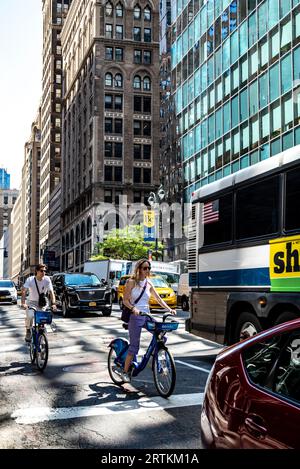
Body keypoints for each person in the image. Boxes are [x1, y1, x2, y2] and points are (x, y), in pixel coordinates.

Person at [121, 258, 176, 383]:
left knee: (161, 336)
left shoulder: (149, 283)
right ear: (139, 269)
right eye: (145, 268)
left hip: (146, 315)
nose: (147, 270)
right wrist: (133, 308)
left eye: (149, 268)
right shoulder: (131, 282)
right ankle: (125, 371)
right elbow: (125, 301)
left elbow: (158, 299)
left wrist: (169, 309)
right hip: (135, 316)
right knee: (134, 347)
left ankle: (154, 359)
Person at [21, 263, 57, 342]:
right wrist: (23, 303)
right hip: (31, 302)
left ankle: (41, 336)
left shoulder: (47, 279)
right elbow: (24, 291)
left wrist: (53, 304)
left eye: (45, 271)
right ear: (36, 271)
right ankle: (28, 331)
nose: (43, 272)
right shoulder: (30, 280)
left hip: (42, 303)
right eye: (41, 271)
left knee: (42, 320)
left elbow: (51, 292)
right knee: (30, 316)